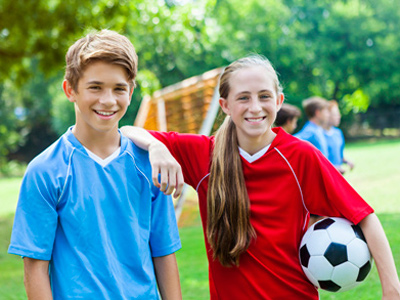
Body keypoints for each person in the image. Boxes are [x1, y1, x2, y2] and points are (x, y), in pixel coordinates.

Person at [121, 55, 400, 299]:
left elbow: (364, 217)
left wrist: (392, 290)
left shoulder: (301, 157)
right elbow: (125, 132)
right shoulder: (204, 154)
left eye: (264, 96)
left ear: (278, 102)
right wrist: (157, 146)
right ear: (225, 105)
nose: (255, 107)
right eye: (243, 97)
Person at [8, 30, 182, 300]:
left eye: (119, 89)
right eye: (95, 87)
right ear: (70, 90)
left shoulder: (150, 166)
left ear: (131, 91)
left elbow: (163, 253)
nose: (108, 100)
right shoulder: (45, 171)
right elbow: (35, 268)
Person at [324, 100, 355, 174]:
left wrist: (347, 162)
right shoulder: (317, 135)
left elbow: (339, 156)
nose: (339, 116)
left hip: (338, 176)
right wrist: (334, 168)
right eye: (335, 114)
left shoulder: (338, 133)